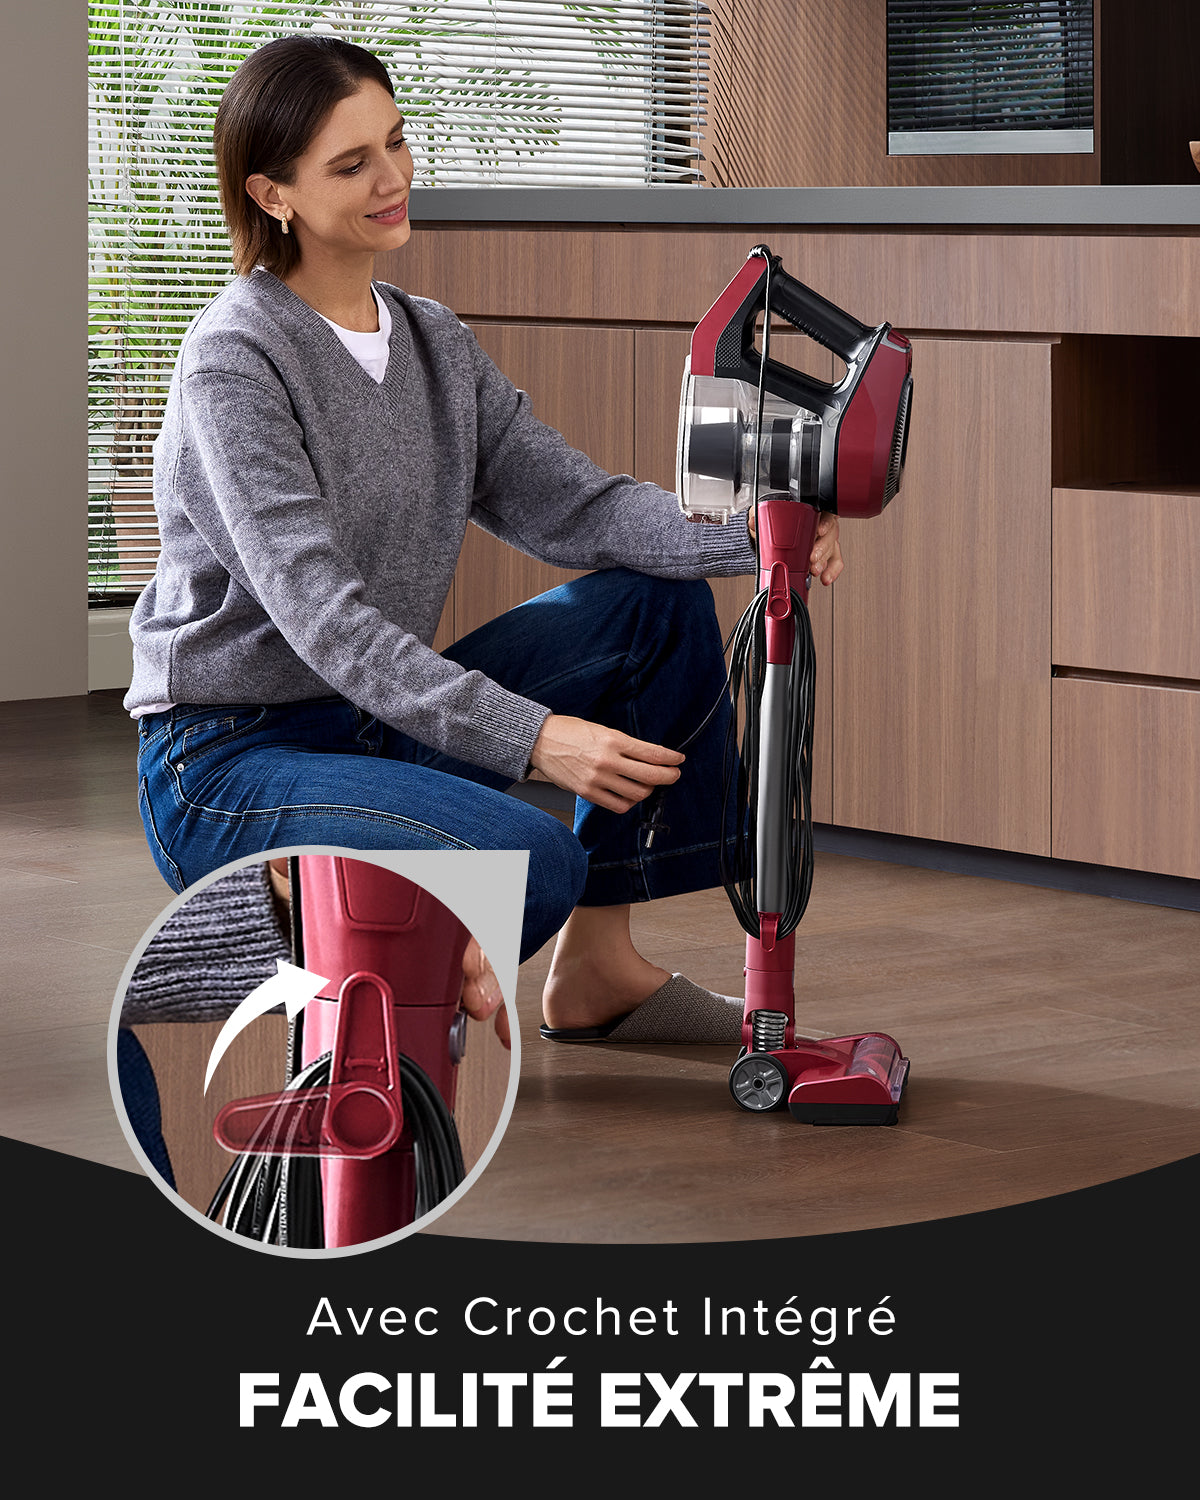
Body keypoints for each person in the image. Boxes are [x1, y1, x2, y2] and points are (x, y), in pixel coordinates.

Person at [125, 34, 844, 1047]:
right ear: (271, 193)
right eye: (351, 164)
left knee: (652, 602)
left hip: (371, 725)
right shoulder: (234, 361)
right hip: (232, 761)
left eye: (397, 141)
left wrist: (765, 532)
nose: (393, 178)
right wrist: (537, 738)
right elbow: (331, 629)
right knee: (532, 859)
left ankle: (598, 972)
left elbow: (580, 508)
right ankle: (327, 961)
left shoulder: (431, 341)